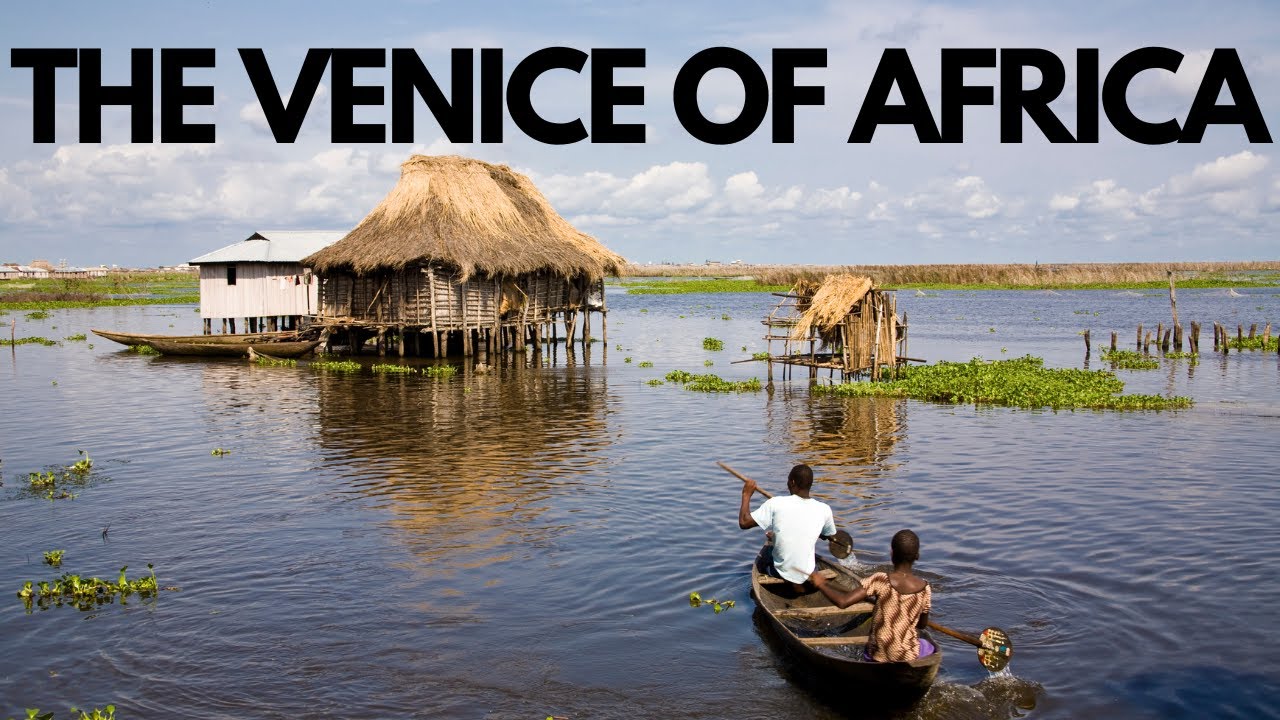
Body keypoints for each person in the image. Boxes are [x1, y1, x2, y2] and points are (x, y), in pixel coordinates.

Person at [809, 529, 934, 662]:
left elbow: (842, 602)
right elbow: (921, 625)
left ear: (892, 554)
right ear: (917, 556)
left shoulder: (880, 580)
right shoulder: (925, 588)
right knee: (928, 646)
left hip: (878, 655)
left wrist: (821, 584)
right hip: (907, 656)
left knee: (871, 646)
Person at [738, 464, 837, 592]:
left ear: (792, 482)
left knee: (767, 551)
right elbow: (828, 536)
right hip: (808, 575)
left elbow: (744, 522)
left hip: (780, 573)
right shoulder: (824, 509)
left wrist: (746, 494)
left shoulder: (776, 503)